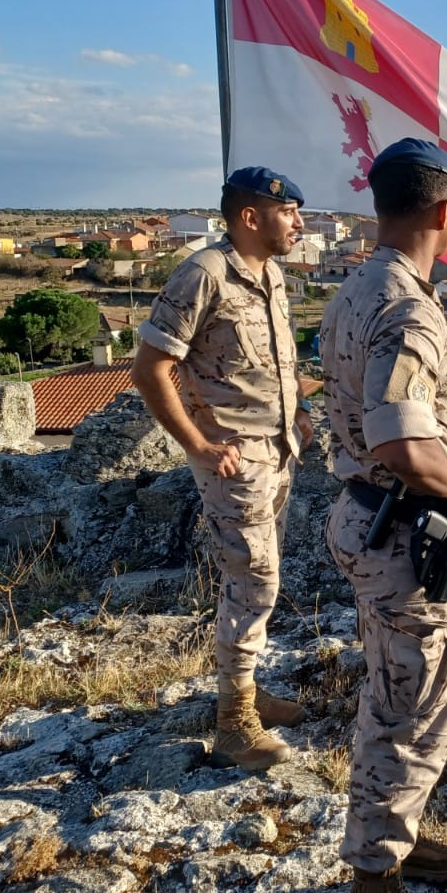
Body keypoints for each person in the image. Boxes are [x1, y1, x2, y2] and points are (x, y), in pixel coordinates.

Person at [318, 138, 447, 893]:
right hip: (405, 535)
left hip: (366, 521)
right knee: (415, 708)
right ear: (446, 213)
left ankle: (401, 834)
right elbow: (397, 439)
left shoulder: (357, 284)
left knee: (391, 690)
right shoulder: (410, 309)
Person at [132, 165, 314, 771]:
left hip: (277, 451)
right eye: (288, 212)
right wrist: (197, 445)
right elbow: (151, 368)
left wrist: (300, 413)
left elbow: (272, 364)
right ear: (249, 216)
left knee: (259, 575)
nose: (299, 222)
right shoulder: (204, 274)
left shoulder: (271, 275)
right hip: (233, 460)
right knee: (254, 577)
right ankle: (235, 721)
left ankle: (248, 687)